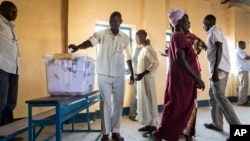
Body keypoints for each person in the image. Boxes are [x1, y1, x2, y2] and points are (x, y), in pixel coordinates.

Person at [68, 11, 134, 141]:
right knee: (105, 103)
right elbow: (90, 42)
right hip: (104, 74)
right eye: (111, 20)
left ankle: (116, 131)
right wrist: (78, 47)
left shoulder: (125, 37)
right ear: (109, 22)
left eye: (116, 20)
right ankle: (105, 133)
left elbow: (129, 56)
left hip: (119, 75)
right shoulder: (102, 34)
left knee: (118, 103)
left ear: (121, 21)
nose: (114, 23)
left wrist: (132, 72)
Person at [151, 8, 205, 141]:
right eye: (187, 20)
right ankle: (162, 133)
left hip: (184, 81)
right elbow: (181, 59)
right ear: (180, 22)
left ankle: (168, 133)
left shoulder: (177, 37)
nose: (189, 23)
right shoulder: (179, 36)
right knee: (178, 108)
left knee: (181, 107)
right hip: (182, 81)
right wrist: (196, 77)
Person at [202, 14, 241, 141]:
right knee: (213, 96)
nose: (202, 26)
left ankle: (239, 130)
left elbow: (219, 47)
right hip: (217, 68)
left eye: (203, 23)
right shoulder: (212, 33)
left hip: (219, 69)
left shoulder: (215, 30)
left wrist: (214, 71)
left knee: (220, 96)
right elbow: (214, 49)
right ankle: (217, 124)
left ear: (207, 22)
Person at [134, 30, 159, 137]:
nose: (137, 40)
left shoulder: (148, 48)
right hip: (142, 79)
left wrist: (142, 74)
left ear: (144, 36)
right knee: (144, 102)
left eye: (138, 37)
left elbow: (155, 63)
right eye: (136, 38)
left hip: (148, 79)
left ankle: (153, 127)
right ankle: (148, 124)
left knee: (150, 102)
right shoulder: (143, 49)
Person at [0, 1, 19, 127]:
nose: (15, 14)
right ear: (3, 10)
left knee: (10, 102)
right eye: (13, 11)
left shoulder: (9, 27)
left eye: (16, 12)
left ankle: (8, 133)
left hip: (14, 69)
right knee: (1, 101)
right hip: (2, 68)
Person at [128, 45, 143, 121]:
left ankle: (139, 113)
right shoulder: (138, 49)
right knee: (135, 95)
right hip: (137, 74)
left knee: (142, 96)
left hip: (143, 74)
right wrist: (136, 69)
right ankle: (132, 114)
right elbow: (133, 60)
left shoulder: (146, 49)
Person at [235, 41, 250, 106]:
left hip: (244, 70)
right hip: (242, 70)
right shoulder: (239, 51)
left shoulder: (242, 51)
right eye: (244, 45)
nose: (245, 46)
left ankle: (244, 100)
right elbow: (246, 57)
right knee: (243, 86)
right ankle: (241, 102)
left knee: (244, 85)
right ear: (240, 44)